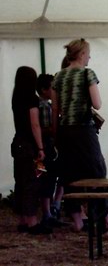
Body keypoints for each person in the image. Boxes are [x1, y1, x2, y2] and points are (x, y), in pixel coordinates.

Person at [51, 38, 108, 233]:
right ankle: (105, 219)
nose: (90, 57)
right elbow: (97, 103)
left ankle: (77, 220)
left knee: (69, 174)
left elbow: (55, 109)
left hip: (64, 130)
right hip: (83, 130)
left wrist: (55, 134)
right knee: (97, 171)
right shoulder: (87, 73)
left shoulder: (58, 77)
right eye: (88, 54)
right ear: (82, 54)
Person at [11, 66, 52, 235]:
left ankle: (22, 220)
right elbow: (35, 125)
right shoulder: (32, 100)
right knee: (35, 181)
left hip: (18, 144)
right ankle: (32, 222)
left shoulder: (16, 98)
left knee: (20, 182)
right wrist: (41, 148)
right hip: (31, 148)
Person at [36, 73, 65, 227]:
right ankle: (49, 213)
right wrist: (57, 127)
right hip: (48, 148)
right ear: (43, 89)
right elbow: (47, 129)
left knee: (47, 178)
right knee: (48, 179)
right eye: (51, 88)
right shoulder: (45, 106)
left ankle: (49, 212)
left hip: (45, 149)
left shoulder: (42, 105)